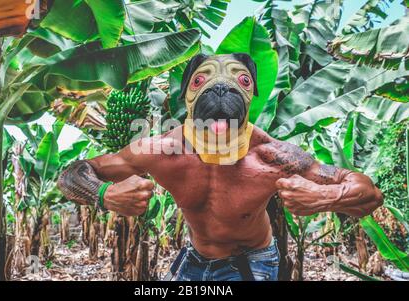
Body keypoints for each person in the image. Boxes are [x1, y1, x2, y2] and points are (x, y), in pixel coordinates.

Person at [58, 53, 383, 281]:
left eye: (240, 80)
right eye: (202, 80)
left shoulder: (273, 156)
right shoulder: (159, 151)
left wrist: (327, 197)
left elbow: (369, 195)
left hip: (250, 262)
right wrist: (104, 194)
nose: (221, 88)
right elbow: (73, 173)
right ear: (186, 93)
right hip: (194, 256)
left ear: (251, 94)